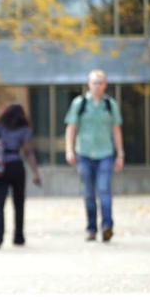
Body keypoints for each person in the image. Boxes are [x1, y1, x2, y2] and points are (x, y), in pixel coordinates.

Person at [64, 70, 125, 242]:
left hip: (105, 153)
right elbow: (71, 128)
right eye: (94, 82)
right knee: (89, 193)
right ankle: (91, 228)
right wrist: (70, 150)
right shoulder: (79, 103)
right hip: (84, 153)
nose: (97, 86)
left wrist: (120, 153)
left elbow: (116, 130)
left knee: (105, 189)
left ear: (105, 85)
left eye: (100, 82)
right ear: (88, 84)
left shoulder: (110, 104)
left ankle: (107, 226)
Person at [0, 103, 42, 249]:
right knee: (19, 202)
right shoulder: (23, 129)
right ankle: (18, 236)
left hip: (0, 167)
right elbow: (28, 152)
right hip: (16, 165)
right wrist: (36, 172)